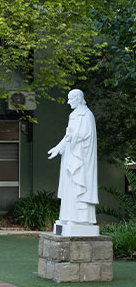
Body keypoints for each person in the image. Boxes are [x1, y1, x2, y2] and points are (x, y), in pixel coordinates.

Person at [48, 89, 98, 226]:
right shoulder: (73, 115)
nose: (68, 102)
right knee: (69, 186)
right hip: (70, 155)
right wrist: (58, 148)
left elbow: (86, 136)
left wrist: (73, 137)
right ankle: (68, 217)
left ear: (79, 98)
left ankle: (80, 219)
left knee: (78, 186)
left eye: (71, 99)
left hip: (81, 158)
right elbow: (68, 136)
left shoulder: (87, 115)